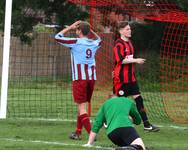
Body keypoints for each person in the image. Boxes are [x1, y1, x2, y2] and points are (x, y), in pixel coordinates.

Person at [55, 20, 101, 140]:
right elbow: (100, 39)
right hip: (91, 78)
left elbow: (57, 37)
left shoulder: (75, 42)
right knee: (82, 107)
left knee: (82, 108)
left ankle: (92, 134)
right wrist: (91, 31)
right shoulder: (93, 43)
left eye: (77, 29)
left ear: (79, 31)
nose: (75, 30)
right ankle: (77, 132)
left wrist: (69, 27)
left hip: (80, 79)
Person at [113, 21, 159, 132]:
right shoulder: (118, 44)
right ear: (121, 31)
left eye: (130, 29)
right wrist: (136, 60)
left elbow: (128, 58)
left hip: (131, 78)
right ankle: (107, 120)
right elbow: (121, 60)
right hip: (121, 79)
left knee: (139, 99)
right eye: (127, 29)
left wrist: (134, 60)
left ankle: (147, 125)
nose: (130, 31)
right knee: (118, 103)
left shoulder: (129, 43)